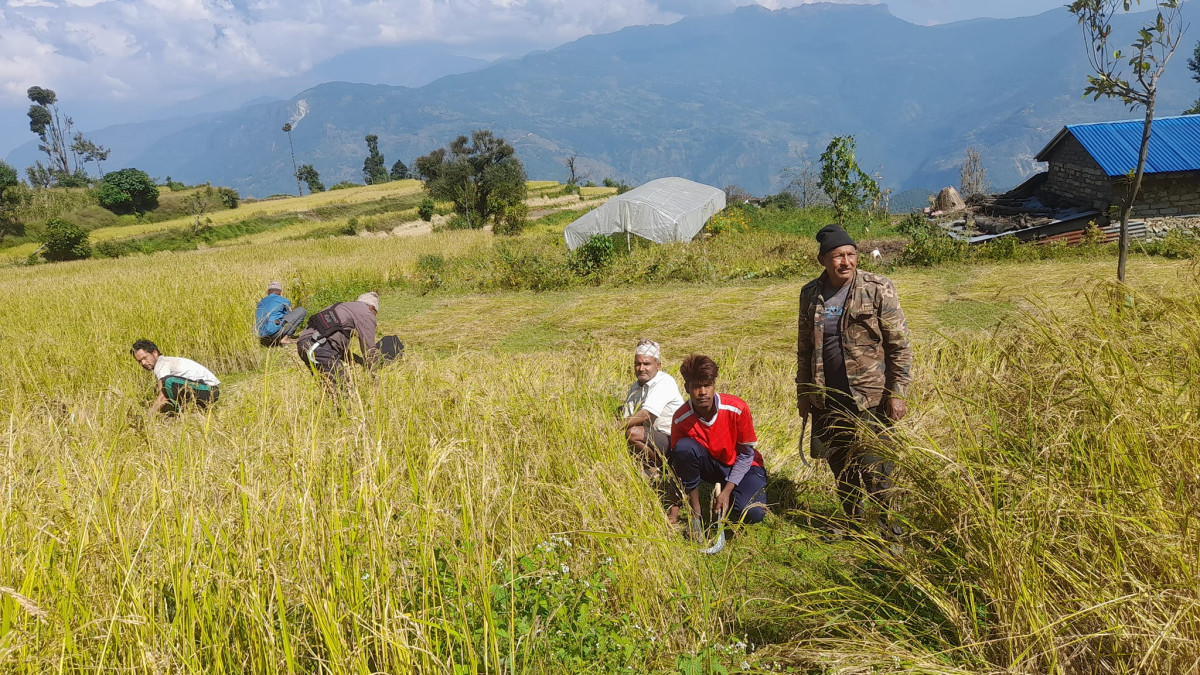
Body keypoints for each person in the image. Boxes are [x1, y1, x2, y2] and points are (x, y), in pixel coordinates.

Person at [795, 224, 913, 539]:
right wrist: (803, 392)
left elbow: (899, 346)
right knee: (841, 464)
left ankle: (890, 529)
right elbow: (804, 348)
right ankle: (855, 524)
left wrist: (898, 392)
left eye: (850, 254)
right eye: (837, 256)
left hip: (871, 397)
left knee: (877, 466)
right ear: (823, 260)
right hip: (827, 397)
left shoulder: (878, 288)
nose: (845, 262)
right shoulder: (810, 294)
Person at [670, 354, 768, 533]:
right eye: (696, 387)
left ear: (714, 385)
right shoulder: (680, 418)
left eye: (707, 385)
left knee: (753, 512)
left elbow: (747, 455)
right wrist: (679, 509)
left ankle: (731, 499)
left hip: (744, 465)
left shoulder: (736, 408)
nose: (703, 392)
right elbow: (681, 463)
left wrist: (727, 490)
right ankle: (697, 513)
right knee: (683, 447)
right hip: (712, 466)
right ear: (686, 388)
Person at [622, 339, 684, 475]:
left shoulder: (664, 382)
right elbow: (628, 416)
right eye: (638, 364)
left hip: (673, 439)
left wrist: (616, 426)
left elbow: (646, 414)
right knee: (629, 430)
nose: (641, 368)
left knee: (633, 433)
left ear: (658, 365)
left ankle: (663, 467)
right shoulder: (635, 387)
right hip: (654, 436)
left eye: (646, 364)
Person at [295, 291, 382, 383]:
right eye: (375, 313)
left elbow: (332, 339)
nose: (374, 317)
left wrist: (358, 360)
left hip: (304, 344)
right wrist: (375, 372)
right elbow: (369, 348)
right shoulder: (366, 313)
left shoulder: (341, 307)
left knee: (329, 388)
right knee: (343, 386)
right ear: (372, 308)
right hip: (318, 346)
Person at [130, 339, 220, 414]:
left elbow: (163, 395)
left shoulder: (161, 364)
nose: (143, 363)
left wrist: (148, 416)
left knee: (167, 382)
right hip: (206, 390)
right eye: (139, 361)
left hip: (209, 390)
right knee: (159, 387)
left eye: (145, 358)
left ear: (155, 353)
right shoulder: (166, 362)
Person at [255, 281, 307, 347]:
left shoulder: (260, 302)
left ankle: (269, 342)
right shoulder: (284, 300)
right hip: (274, 333)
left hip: (262, 335)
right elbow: (288, 316)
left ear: (268, 292)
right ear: (280, 292)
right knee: (302, 310)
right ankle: (285, 338)